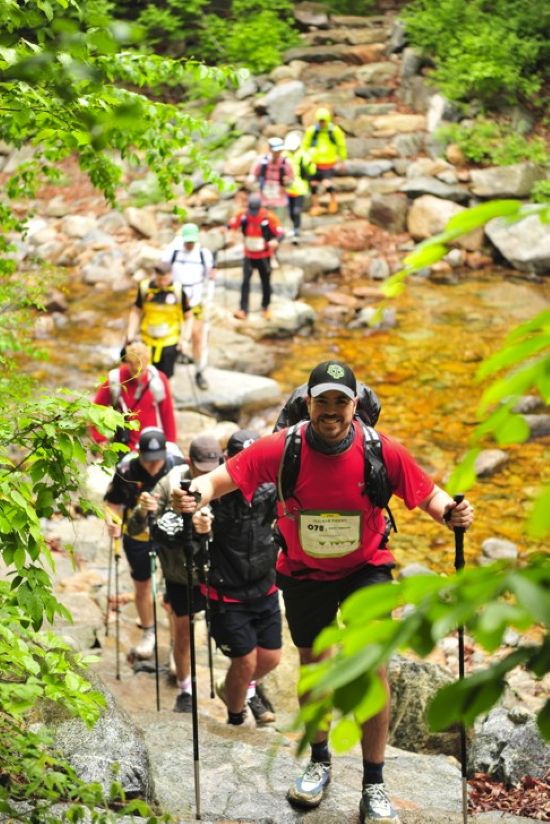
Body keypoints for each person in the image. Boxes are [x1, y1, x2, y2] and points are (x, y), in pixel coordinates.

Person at [171, 360, 475, 823]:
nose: (331, 410)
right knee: (314, 667)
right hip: (303, 573)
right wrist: (192, 492)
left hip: (366, 570)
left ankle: (374, 783)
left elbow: (430, 495)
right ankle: (318, 761)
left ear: (354, 405)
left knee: (372, 670)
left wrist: (452, 513)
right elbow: (221, 479)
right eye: (323, 400)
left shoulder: (379, 449)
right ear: (308, 403)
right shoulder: (283, 447)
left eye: (341, 401)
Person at [127, 434, 224, 712]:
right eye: (201, 470)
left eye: (212, 469)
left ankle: (247, 690)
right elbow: (135, 529)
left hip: (220, 573)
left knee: (232, 633)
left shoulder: (226, 480)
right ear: (189, 462)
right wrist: (143, 511)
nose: (206, 476)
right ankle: (185, 690)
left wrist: (210, 529)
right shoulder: (171, 482)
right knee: (182, 634)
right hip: (180, 574)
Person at [194, 429, 281, 728]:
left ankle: (235, 686)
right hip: (226, 593)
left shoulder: (271, 489)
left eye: (257, 459)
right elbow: (182, 535)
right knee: (245, 661)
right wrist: (198, 528)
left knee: (271, 659)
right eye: (243, 459)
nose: (251, 467)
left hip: (265, 585)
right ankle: (235, 720)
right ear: (227, 459)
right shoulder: (214, 492)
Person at [104, 427, 184, 659]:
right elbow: (112, 504)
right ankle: (149, 632)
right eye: (147, 460)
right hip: (136, 535)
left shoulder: (177, 468)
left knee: (174, 589)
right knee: (142, 585)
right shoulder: (126, 470)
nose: (152, 466)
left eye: (156, 460)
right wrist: (113, 523)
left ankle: (177, 643)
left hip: (170, 535)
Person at [90, 341, 177, 454]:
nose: (138, 376)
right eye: (134, 371)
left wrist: (170, 445)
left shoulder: (159, 380)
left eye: (142, 371)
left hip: (150, 445)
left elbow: (167, 415)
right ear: (128, 363)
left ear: (147, 362)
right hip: (123, 445)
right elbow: (96, 411)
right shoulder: (115, 380)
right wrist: (100, 440)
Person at [160, 223, 216, 391]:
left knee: (197, 337)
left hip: (195, 302)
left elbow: (210, 277)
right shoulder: (173, 251)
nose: (189, 244)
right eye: (187, 241)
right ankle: (167, 373)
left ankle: (199, 371)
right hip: (175, 301)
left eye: (192, 241)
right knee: (170, 336)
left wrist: (208, 299)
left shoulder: (203, 254)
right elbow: (162, 270)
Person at [125, 262, 190, 381]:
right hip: (146, 342)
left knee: (165, 378)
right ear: (155, 275)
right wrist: (131, 334)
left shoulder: (178, 291)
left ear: (171, 276)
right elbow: (135, 312)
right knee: (142, 375)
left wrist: (184, 339)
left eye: (166, 279)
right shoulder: (145, 288)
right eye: (160, 280)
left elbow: (189, 317)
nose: (163, 283)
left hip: (169, 343)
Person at [227, 193, 284, 321]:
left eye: (255, 211)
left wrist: (276, 241)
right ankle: (243, 309)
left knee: (266, 282)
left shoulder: (269, 217)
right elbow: (231, 224)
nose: (253, 213)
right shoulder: (243, 215)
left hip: (264, 255)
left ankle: (266, 308)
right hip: (249, 255)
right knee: (245, 282)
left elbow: (281, 233)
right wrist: (227, 230)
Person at [302, 107, 347, 216]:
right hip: (314, 163)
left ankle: (333, 201)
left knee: (327, 183)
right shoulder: (312, 131)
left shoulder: (334, 131)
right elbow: (305, 145)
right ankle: (315, 206)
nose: (322, 123)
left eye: (324, 121)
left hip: (328, 163)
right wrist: (304, 159)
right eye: (320, 121)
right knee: (313, 185)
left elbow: (341, 145)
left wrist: (342, 160)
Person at [251, 136, 294, 225]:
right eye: (275, 151)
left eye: (279, 151)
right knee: (263, 220)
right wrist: (252, 180)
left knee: (278, 221)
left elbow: (291, 178)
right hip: (264, 196)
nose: (277, 153)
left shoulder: (286, 163)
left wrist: (288, 181)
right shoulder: (261, 161)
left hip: (279, 197)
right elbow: (253, 174)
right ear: (270, 149)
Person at [283, 131, 316, 243]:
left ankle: (296, 230)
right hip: (288, 189)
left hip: (300, 188)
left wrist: (310, 165)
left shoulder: (304, 156)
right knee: (290, 211)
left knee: (297, 210)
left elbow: (312, 170)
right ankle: (293, 227)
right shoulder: (284, 155)